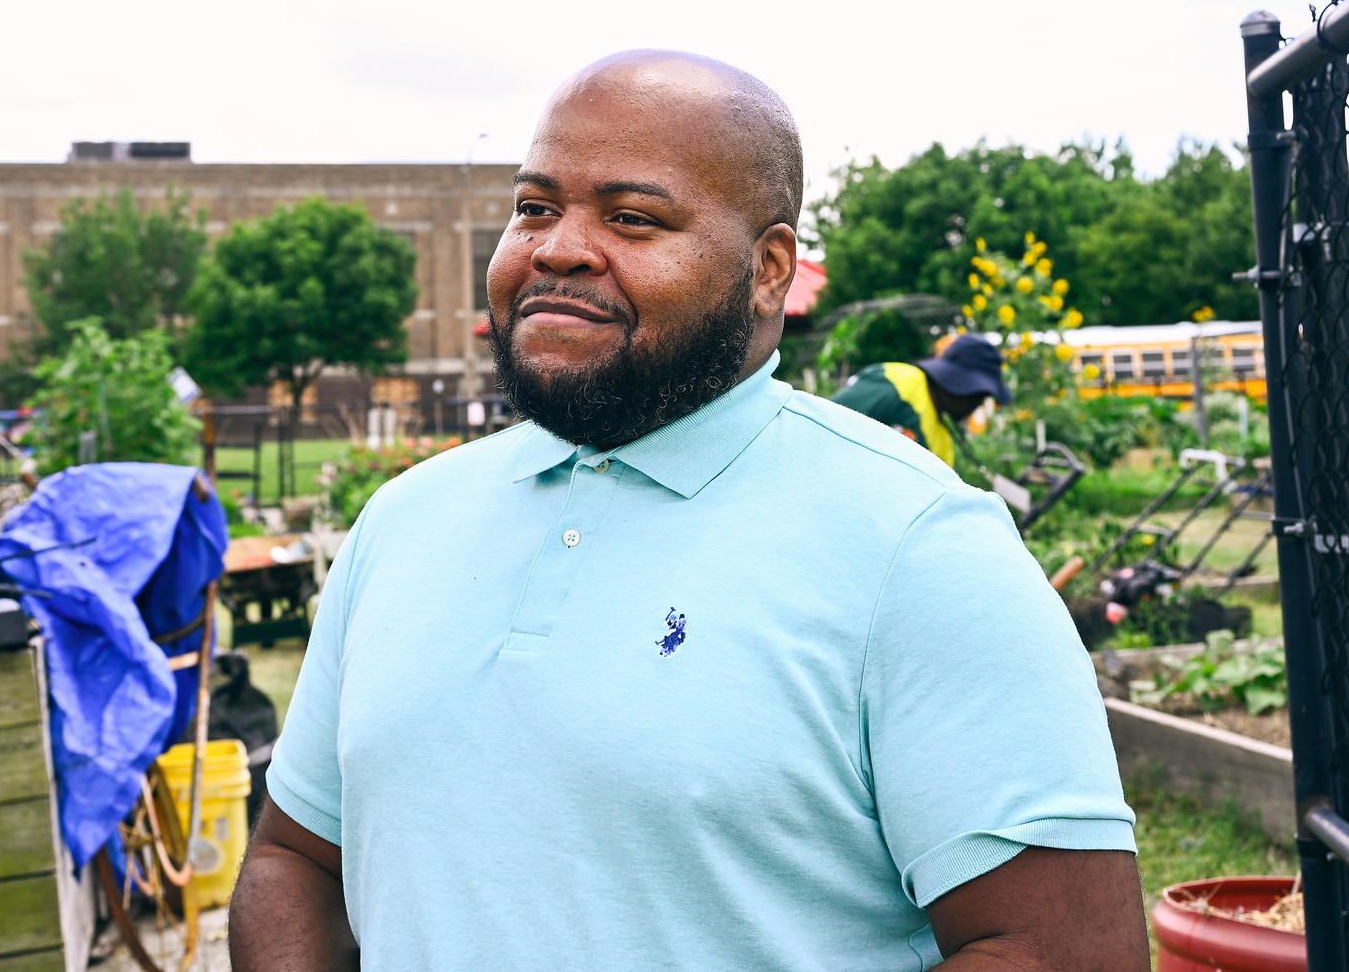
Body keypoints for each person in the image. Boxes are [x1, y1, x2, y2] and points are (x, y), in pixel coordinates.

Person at [231, 51, 1145, 972]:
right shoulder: (403, 523)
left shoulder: (917, 547)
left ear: (767, 269)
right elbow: (295, 858)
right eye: (535, 206)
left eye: (631, 217)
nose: (556, 247)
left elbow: (1064, 953)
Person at [831, 334, 1012, 467]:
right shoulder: (900, 384)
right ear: (960, 383)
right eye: (977, 395)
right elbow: (826, 420)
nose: (976, 405)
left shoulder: (943, 444)